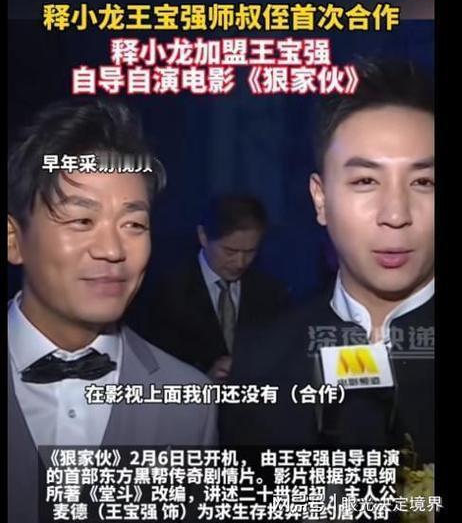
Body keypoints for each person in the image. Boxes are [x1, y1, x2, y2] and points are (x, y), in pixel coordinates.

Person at [7, 98, 217, 523]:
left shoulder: (189, 403)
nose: (112, 250)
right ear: (14, 240)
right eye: (81, 221)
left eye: (133, 225)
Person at [221, 58, 434, 466]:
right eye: (365, 181)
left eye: (423, 182)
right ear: (320, 199)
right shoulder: (261, 361)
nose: (395, 214)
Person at [131, 195, 291, 379]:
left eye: (250, 252)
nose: (240, 262)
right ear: (203, 237)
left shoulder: (272, 293)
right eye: (230, 251)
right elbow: (151, 368)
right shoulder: (165, 292)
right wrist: (203, 381)